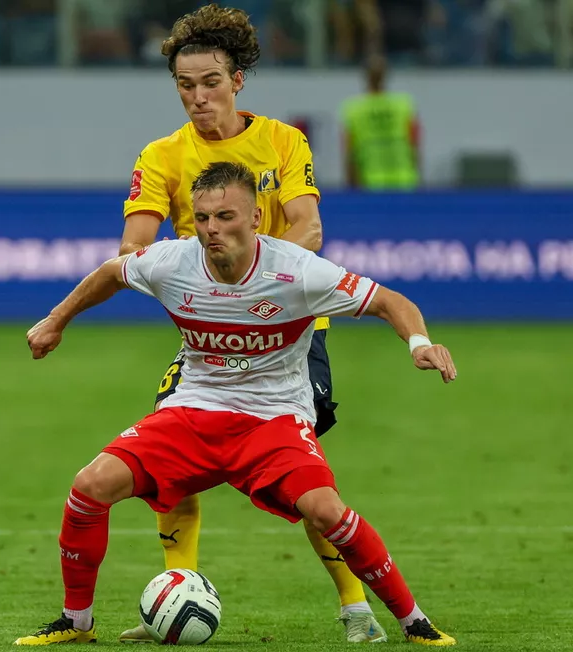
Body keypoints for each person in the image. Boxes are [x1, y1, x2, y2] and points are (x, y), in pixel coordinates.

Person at [15, 161, 458, 647]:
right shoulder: (172, 261)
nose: (212, 229)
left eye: (225, 216)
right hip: (193, 412)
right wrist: (56, 320)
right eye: (203, 217)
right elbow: (110, 273)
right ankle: (76, 622)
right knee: (89, 486)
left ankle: (414, 622)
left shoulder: (298, 271)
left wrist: (419, 344)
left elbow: (390, 301)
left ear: (255, 218)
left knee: (326, 511)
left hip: (274, 419)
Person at [116, 3, 389, 643]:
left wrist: (256, 288)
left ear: (237, 80)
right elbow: (133, 247)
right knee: (169, 462)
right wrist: (183, 278)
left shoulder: (283, 142)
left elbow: (309, 229)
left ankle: (356, 608)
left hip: (289, 336)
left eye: (211, 82)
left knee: (307, 484)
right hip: (212, 342)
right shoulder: (162, 156)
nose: (198, 97)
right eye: (185, 85)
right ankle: (178, 591)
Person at [340, 54, 421, 191]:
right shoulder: (404, 106)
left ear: (366, 77)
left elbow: (349, 153)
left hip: (371, 181)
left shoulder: (354, 109)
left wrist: (350, 186)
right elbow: (414, 146)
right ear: (385, 75)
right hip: (404, 179)